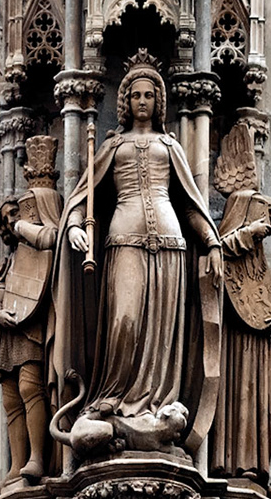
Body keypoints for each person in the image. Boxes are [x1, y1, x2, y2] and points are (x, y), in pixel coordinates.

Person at [51, 55, 223, 457]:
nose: (142, 101)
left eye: (150, 94)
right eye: (135, 94)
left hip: (170, 244)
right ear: (125, 101)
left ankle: (157, 404)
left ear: (159, 101)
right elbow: (82, 197)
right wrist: (74, 226)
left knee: (160, 331)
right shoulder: (112, 146)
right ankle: (114, 398)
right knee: (125, 321)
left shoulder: (170, 147)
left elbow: (192, 206)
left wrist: (212, 242)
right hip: (123, 240)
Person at [210, 120, 271, 482]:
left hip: (256, 337)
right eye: (263, 221)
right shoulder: (239, 238)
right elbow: (218, 256)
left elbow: (262, 296)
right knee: (239, 405)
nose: (267, 230)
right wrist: (250, 233)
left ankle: (255, 469)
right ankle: (237, 467)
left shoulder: (259, 262)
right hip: (235, 338)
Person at [0, 136, 62, 490]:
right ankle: (16, 467)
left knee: (32, 387)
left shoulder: (40, 247)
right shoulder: (13, 259)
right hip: (9, 331)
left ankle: (36, 459)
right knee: (11, 398)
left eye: (19, 214)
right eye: (9, 218)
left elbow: (52, 238)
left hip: (32, 327)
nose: (13, 221)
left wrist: (20, 225)